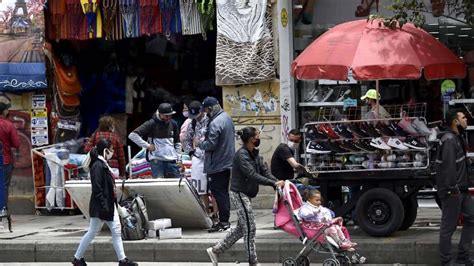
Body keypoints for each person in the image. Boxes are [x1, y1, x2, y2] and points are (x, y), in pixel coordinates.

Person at [206, 127, 285, 266]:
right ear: (251, 139)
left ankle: (215, 250)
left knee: (242, 228)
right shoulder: (241, 155)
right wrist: (273, 183)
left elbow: (265, 171)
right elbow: (252, 174)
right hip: (239, 193)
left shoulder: (255, 153)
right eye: (257, 136)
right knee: (250, 227)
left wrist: (276, 183)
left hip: (247, 194)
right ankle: (252, 261)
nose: (259, 138)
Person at [72, 138, 137, 266]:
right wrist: (104, 204)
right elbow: (97, 188)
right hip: (102, 205)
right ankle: (78, 258)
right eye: (111, 150)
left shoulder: (102, 164)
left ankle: (78, 258)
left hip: (106, 204)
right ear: (105, 150)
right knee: (102, 231)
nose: (113, 152)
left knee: (104, 231)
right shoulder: (98, 166)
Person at [436, 109, 474, 266]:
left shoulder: (456, 138)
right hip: (453, 191)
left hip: (462, 189)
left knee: (471, 218)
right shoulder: (449, 140)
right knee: (448, 227)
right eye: (463, 118)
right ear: (455, 122)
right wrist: (452, 189)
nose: (466, 120)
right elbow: (448, 168)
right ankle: (446, 261)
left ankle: (464, 256)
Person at [197, 97, 235, 232]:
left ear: (210, 108)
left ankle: (224, 221)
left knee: (219, 193)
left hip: (217, 163)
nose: (206, 113)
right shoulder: (227, 118)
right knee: (223, 192)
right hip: (226, 162)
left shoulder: (215, 123)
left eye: (206, 110)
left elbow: (211, 144)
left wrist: (200, 143)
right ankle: (225, 220)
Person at [128, 103, 181, 178]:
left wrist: (179, 158)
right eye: (166, 116)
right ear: (160, 114)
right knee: (160, 186)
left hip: (172, 160)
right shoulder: (152, 123)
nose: (168, 118)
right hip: (157, 161)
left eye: (170, 115)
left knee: (176, 185)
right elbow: (132, 135)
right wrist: (147, 145)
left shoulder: (173, 124)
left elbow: (177, 143)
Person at [183, 101, 211, 209]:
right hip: (198, 158)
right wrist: (191, 152)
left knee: (213, 189)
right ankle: (205, 213)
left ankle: (216, 215)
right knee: (200, 188)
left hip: (211, 157)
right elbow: (187, 139)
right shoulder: (192, 122)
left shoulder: (211, 120)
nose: (197, 118)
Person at [0, 95, 19, 210]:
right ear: (4, 111)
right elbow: (16, 144)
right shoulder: (8, 125)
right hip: (5, 161)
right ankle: (3, 209)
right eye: (7, 109)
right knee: (4, 186)